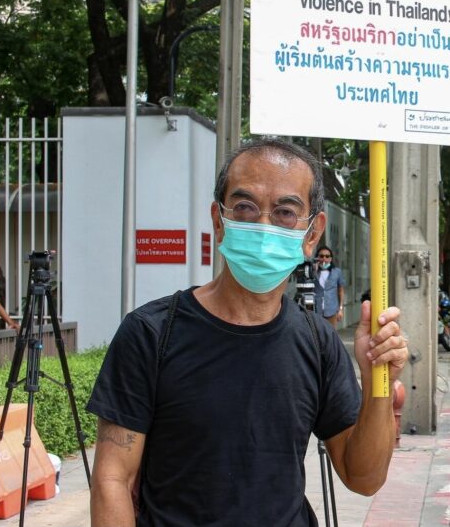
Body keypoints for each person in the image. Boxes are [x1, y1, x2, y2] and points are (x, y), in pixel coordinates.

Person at [88, 139, 408, 527]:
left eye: (286, 212)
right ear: (219, 220)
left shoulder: (315, 340)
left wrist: (377, 381)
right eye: (244, 207)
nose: (263, 224)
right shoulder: (151, 333)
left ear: (312, 232)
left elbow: (364, 478)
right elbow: (112, 480)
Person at [313, 245, 345, 328]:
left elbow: (341, 291)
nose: (324, 259)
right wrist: (314, 271)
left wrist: (340, 309)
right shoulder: (313, 272)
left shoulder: (337, 272)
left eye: (327, 256)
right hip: (316, 309)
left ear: (330, 259)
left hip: (331, 310)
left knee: (331, 335)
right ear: (317, 258)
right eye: (321, 256)